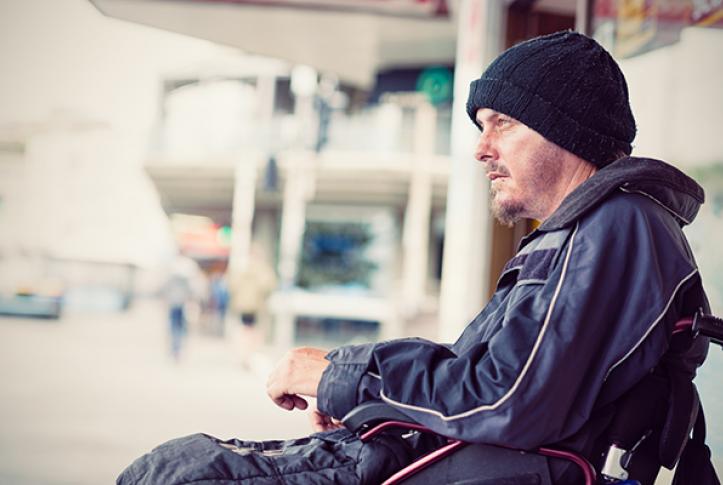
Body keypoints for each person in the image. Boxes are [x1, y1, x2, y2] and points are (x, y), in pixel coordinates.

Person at [118, 31, 712, 484]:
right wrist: (357, 389)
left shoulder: (614, 225)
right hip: (437, 459)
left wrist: (341, 377)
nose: (482, 148)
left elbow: (509, 400)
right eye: (483, 126)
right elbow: (489, 381)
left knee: (177, 473)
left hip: (457, 467)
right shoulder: (595, 228)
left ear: (565, 130)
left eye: (502, 124)